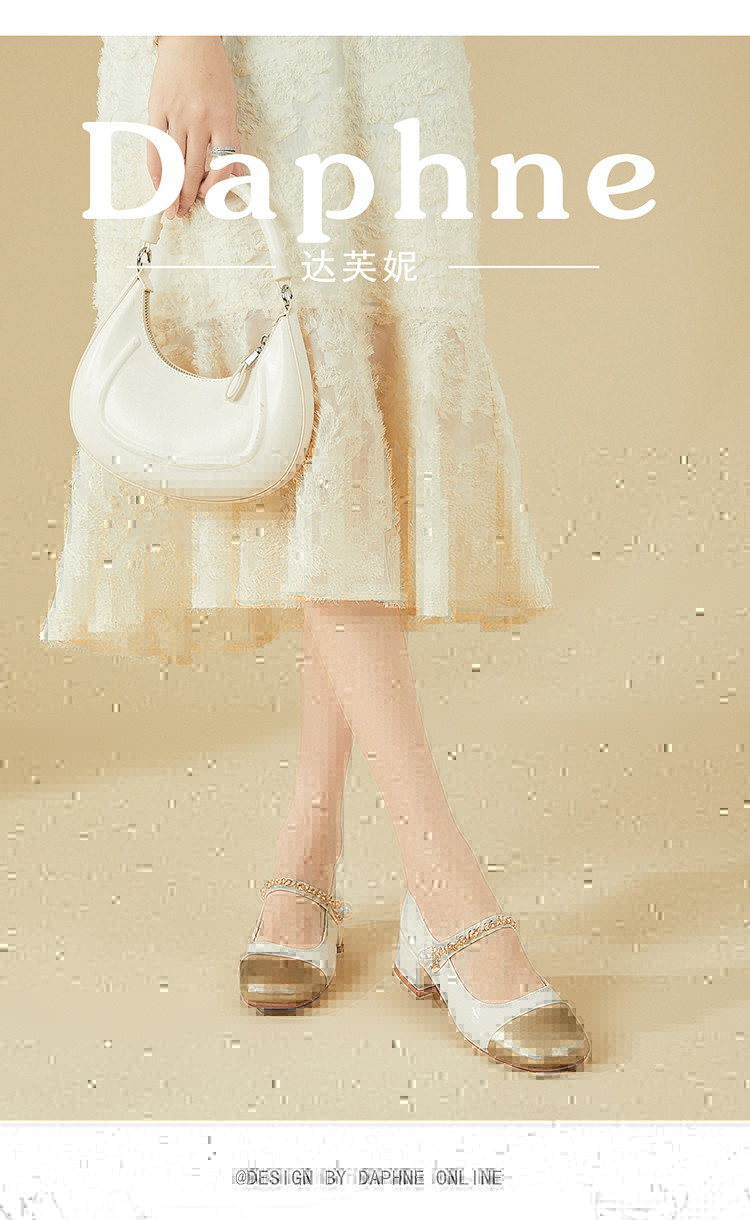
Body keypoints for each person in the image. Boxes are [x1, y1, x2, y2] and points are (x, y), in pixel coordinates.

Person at [41, 35, 590, 1072]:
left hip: (392, 48)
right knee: (311, 416)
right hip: (242, 45)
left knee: (357, 413)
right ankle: (446, 892)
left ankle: (309, 844)